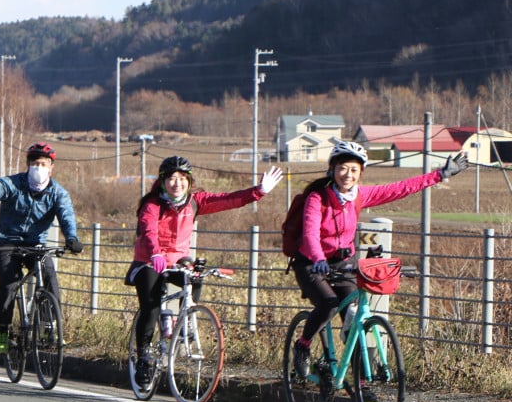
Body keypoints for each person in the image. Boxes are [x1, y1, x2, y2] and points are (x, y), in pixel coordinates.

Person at [290, 141, 468, 379]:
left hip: (343, 263)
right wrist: (318, 258)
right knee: (328, 304)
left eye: (354, 170)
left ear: (360, 173)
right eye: (343, 168)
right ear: (332, 169)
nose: (348, 175)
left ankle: (362, 388)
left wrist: (441, 174)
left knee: (355, 322)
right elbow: (310, 233)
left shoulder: (359, 196)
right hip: (312, 263)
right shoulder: (317, 198)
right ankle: (303, 345)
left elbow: (400, 188)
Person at [126, 155, 284, 377]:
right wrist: (155, 253)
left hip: (178, 259)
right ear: (162, 181)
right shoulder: (152, 205)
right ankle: (143, 357)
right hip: (149, 260)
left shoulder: (194, 201)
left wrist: (258, 191)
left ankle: (186, 317)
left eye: (182, 178)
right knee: (150, 307)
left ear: (189, 181)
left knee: (196, 276)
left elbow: (228, 199)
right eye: (171, 178)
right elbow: (149, 230)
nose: (177, 183)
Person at [0, 140, 82, 354]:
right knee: (9, 285)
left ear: (51, 167)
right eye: (35, 163)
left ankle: (48, 326)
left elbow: (66, 215)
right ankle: (3, 329)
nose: (39, 168)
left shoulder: (58, 192)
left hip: (36, 245)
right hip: (8, 243)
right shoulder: (13, 184)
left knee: (49, 278)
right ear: (28, 165)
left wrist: (72, 237)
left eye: (44, 164)